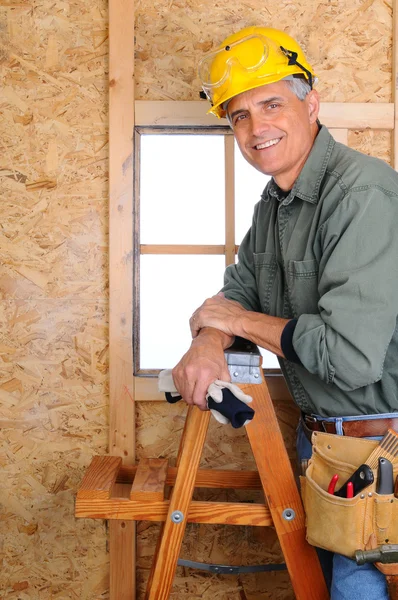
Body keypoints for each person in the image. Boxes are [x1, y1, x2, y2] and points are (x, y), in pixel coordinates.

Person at [172, 25, 398, 599]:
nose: (256, 128)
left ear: (311, 103)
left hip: (380, 450)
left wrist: (234, 323)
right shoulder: (274, 206)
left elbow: (348, 358)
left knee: (356, 588)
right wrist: (206, 342)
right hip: (323, 446)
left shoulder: (362, 195)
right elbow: (236, 292)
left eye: (271, 103)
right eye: (239, 116)